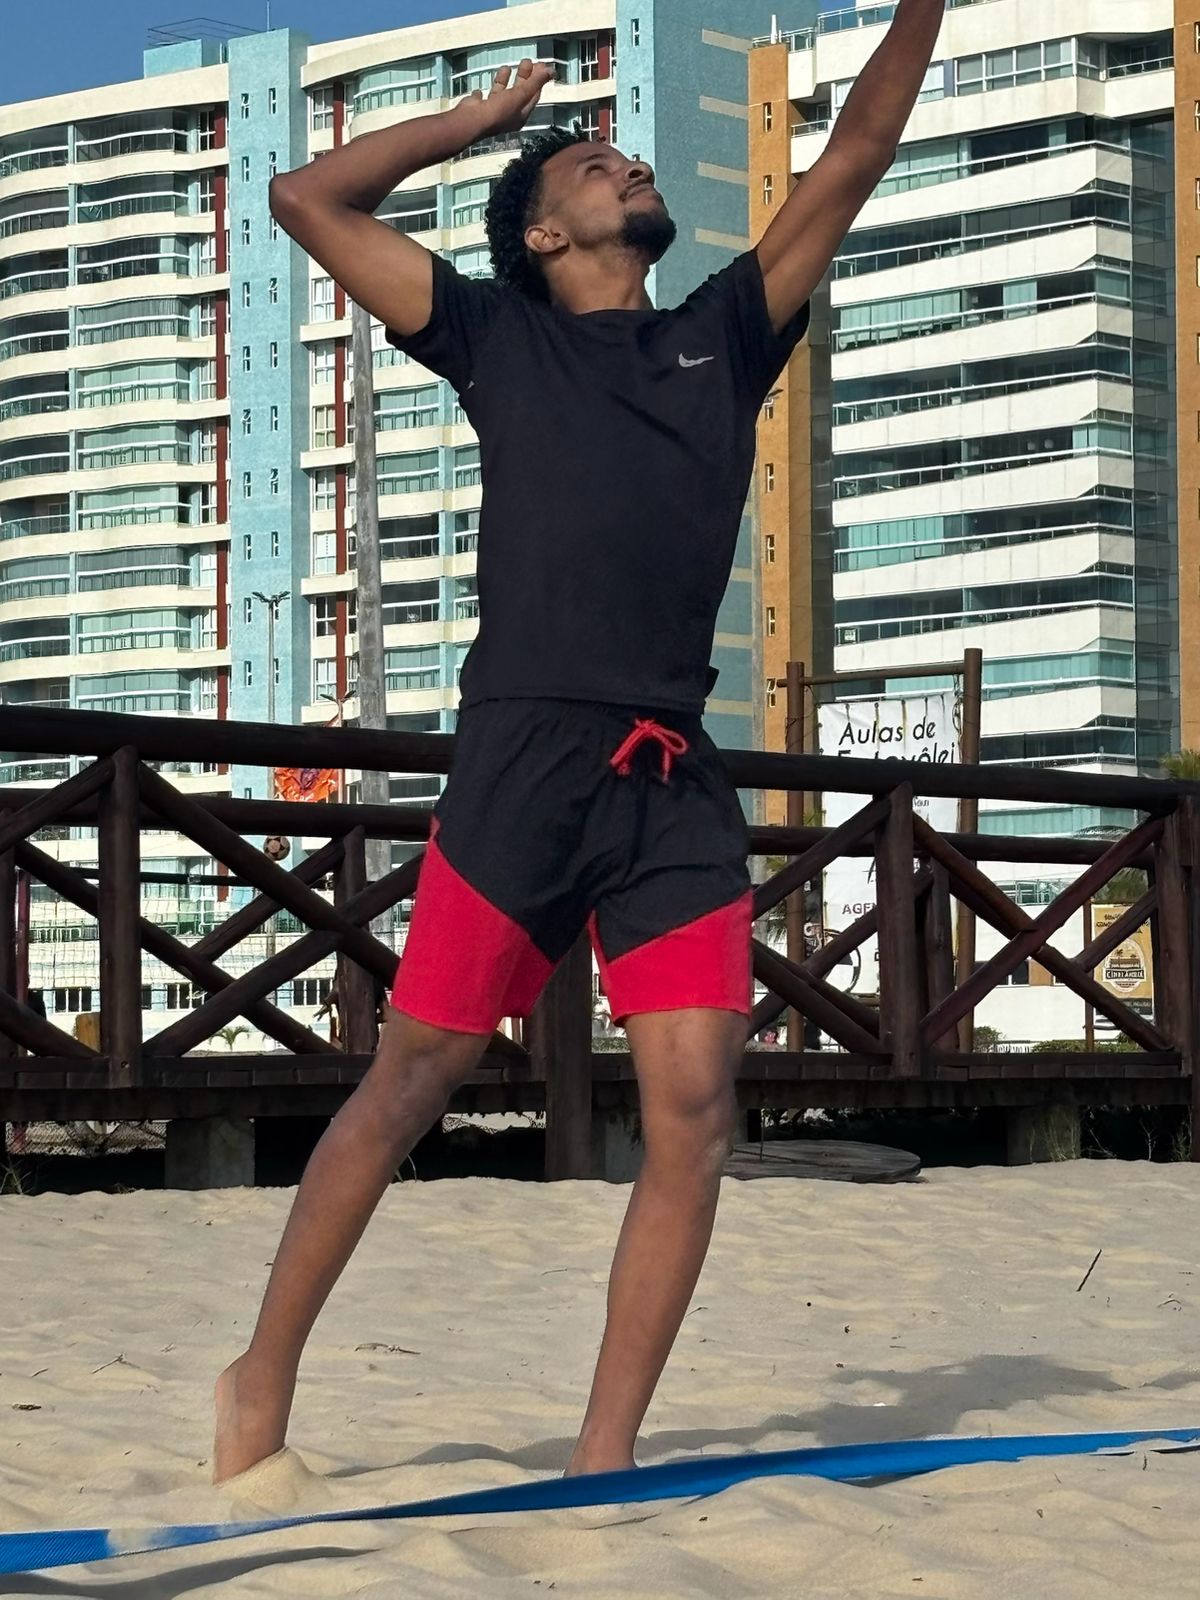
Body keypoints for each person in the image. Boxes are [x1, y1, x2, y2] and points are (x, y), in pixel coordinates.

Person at [214, 0, 946, 1486]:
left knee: (694, 1110)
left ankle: (604, 1455)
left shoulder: (721, 336)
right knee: (412, 1080)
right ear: (543, 236)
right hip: (525, 758)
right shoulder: (498, 341)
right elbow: (303, 199)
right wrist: (486, 123)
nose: (625, 165)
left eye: (625, 158)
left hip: (671, 776)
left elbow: (857, 152)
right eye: (593, 166)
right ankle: (260, 1373)